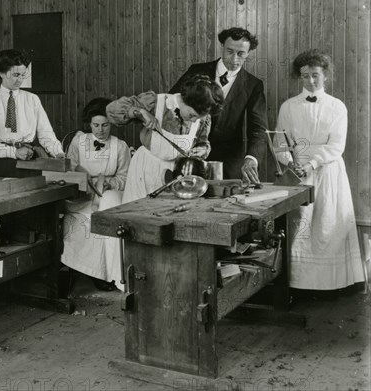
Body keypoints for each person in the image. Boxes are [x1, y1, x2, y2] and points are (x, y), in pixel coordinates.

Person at [274, 49, 364, 292]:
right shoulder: (289, 107)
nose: (310, 81)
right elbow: (279, 143)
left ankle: (332, 285)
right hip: (298, 174)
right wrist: (289, 162)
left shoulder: (337, 107)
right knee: (300, 226)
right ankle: (298, 284)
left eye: (315, 75)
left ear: (325, 76)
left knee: (326, 225)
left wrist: (312, 163)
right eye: (305, 76)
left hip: (327, 172)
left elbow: (336, 146)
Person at [169, 27, 267, 182]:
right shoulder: (196, 70)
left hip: (228, 162)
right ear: (222, 47)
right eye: (229, 51)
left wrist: (252, 158)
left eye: (241, 54)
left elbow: (258, 129)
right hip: (189, 155)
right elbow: (171, 103)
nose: (234, 59)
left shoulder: (254, 85)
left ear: (248, 53)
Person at [107, 75, 224, 203]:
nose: (195, 120)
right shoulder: (157, 102)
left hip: (177, 174)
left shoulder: (203, 119)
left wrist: (201, 150)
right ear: (184, 100)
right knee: (138, 213)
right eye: (192, 115)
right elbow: (112, 110)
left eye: (199, 117)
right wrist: (140, 112)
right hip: (145, 168)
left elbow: (202, 142)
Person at [61, 98, 131, 291]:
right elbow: (68, 169)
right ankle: (79, 268)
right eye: (96, 125)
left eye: (105, 125)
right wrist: (81, 180)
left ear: (112, 125)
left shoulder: (120, 146)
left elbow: (125, 177)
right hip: (82, 195)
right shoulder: (79, 141)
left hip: (108, 194)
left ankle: (106, 273)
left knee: (104, 218)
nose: (100, 130)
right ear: (89, 124)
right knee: (78, 223)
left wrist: (110, 183)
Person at [0, 49, 65, 177]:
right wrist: (14, 152)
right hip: (1, 164)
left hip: (29, 160)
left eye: (23, 74)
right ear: (2, 73)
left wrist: (58, 153)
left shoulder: (32, 99)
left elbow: (46, 133)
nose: (20, 80)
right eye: (15, 75)